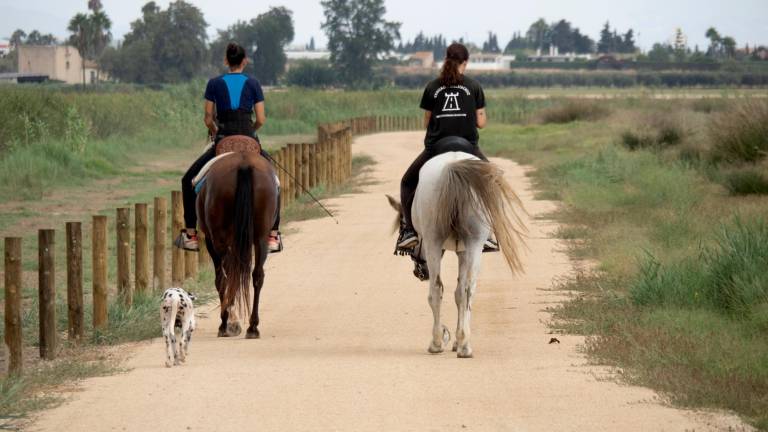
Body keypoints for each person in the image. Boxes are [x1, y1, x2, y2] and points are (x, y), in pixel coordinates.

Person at [175, 42, 282, 253]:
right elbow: (261, 118)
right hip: (250, 139)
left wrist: (215, 131)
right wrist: (251, 130)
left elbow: (207, 118)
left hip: (223, 138)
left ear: (226, 60)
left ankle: (190, 234)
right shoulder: (253, 83)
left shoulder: (214, 83)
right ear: (244, 61)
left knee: (188, 180)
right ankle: (273, 236)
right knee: (274, 181)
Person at [396, 42, 497, 254]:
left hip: (437, 148)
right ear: (465, 63)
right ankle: (489, 234)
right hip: (468, 147)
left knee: (406, 182)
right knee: (493, 181)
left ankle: (408, 232)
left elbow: (426, 121)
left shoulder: (432, 87)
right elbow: (481, 122)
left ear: (446, 60)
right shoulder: (474, 86)